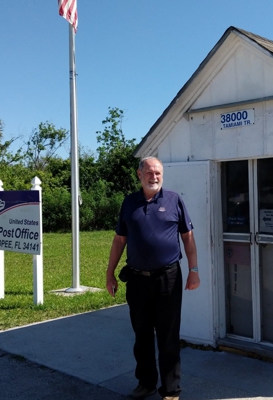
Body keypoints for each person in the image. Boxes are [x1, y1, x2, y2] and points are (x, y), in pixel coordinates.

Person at [106, 156, 200, 400]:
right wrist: (110, 274)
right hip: (137, 281)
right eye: (149, 172)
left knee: (168, 336)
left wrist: (194, 270)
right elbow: (119, 240)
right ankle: (146, 383)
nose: (154, 177)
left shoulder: (173, 200)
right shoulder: (129, 203)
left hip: (168, 278)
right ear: (139, 174)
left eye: (158, 173)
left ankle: (170, 391)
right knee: (142, 336)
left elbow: (188, 237)